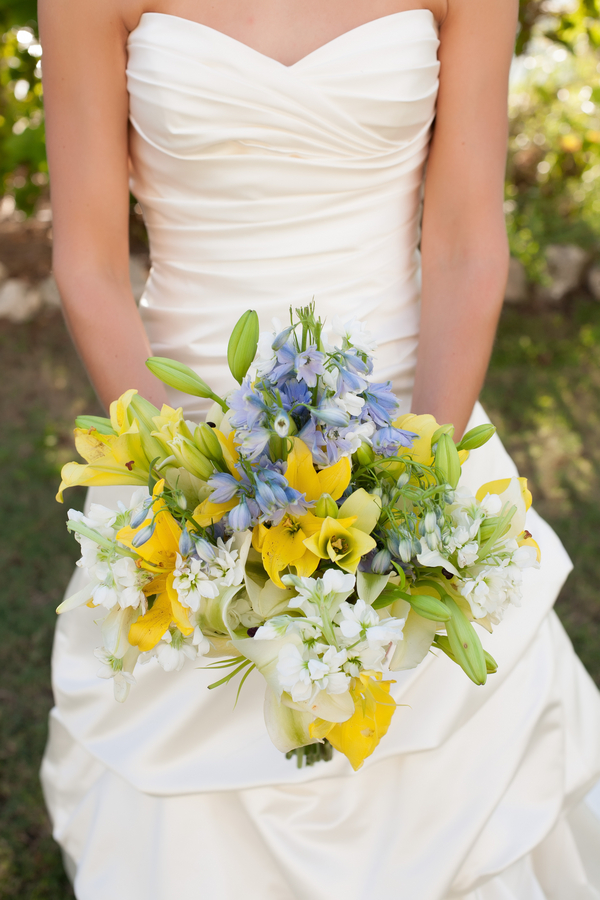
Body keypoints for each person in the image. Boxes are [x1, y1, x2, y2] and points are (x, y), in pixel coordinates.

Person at [38, 0, 600, 897]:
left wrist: (418, 497)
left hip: (413, 427)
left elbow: (463, 244)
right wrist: (195, 500)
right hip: (184, 449)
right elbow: (90, 264)